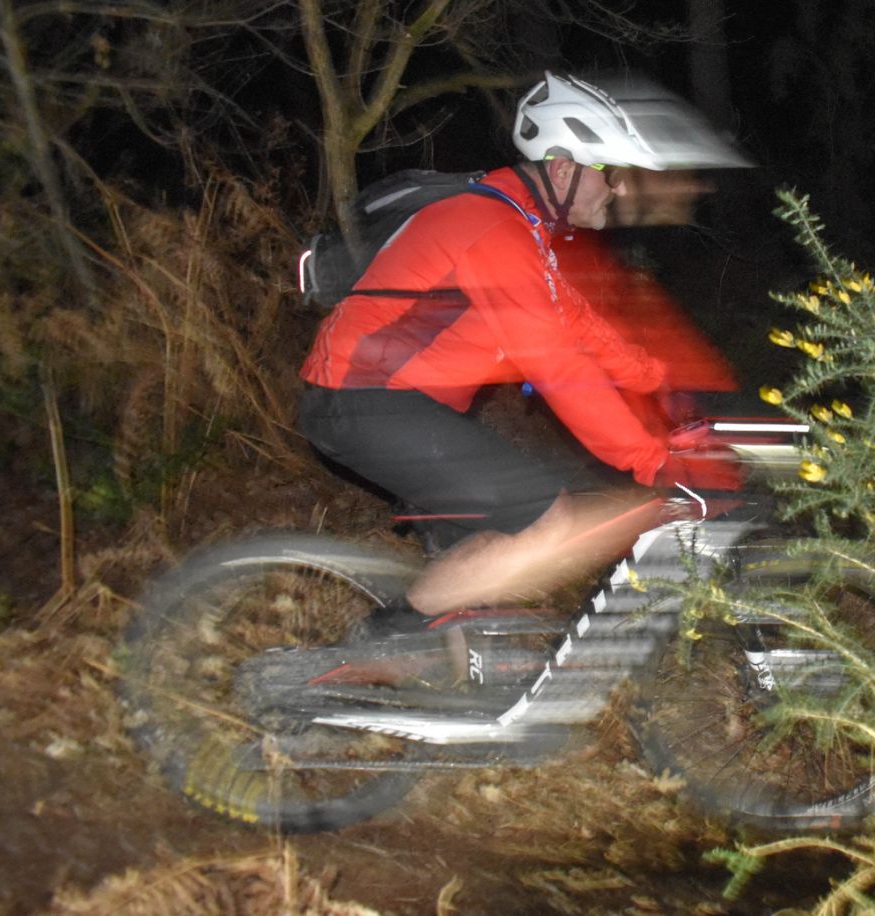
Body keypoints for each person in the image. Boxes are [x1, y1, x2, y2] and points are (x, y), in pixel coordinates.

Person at [297, 72, 750, 635]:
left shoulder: (519, 227)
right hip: (365, 402)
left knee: (487, 573)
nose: (617, 191)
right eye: (608, 174)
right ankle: (380, 640)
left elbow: (578, 325)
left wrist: (658, 382)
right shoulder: (491, 229)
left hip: (394, 405)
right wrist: (652, 461)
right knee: (548, 520)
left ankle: (445, 671)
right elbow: (557, 364)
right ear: (562, 171)